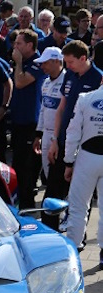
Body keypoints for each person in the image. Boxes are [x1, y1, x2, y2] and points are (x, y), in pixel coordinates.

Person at [44, 40, 103, 232]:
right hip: (63, 142)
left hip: (85, 149)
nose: (67, 66)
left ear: (83, 58)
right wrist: (54, 140)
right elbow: (61, 108)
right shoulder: (69, 75)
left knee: (80, 198)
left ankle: (78, 237)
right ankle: (48, 230)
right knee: (53, 189)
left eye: (70, 62)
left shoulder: (98, 78)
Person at [63, 84, 103, 266]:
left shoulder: (85, 98)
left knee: (78, 206)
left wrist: (68, 161)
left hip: (86, 158)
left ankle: (73, 249)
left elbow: (73, 132)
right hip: (87, 156)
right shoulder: (85, 98)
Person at [8, 29, 45, 209]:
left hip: (31, 121)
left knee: (27, 166)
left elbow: (20, 82)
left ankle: (27, 204)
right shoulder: (21, 62)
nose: (15, 47)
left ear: (30, 45)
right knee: (17, 163)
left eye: (19, 43)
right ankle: (19, 199)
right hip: (18, 118)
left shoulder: (37, 63)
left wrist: (19, 63)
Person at [32, 47, 65, 181]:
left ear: (56, 61)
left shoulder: (67, 82)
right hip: (46, 134)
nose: (42, 66)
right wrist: (38, 134)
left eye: (45, 63)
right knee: (47, 174)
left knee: (59, 176)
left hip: (60, 137)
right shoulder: (45, 82)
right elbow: (43, 109)